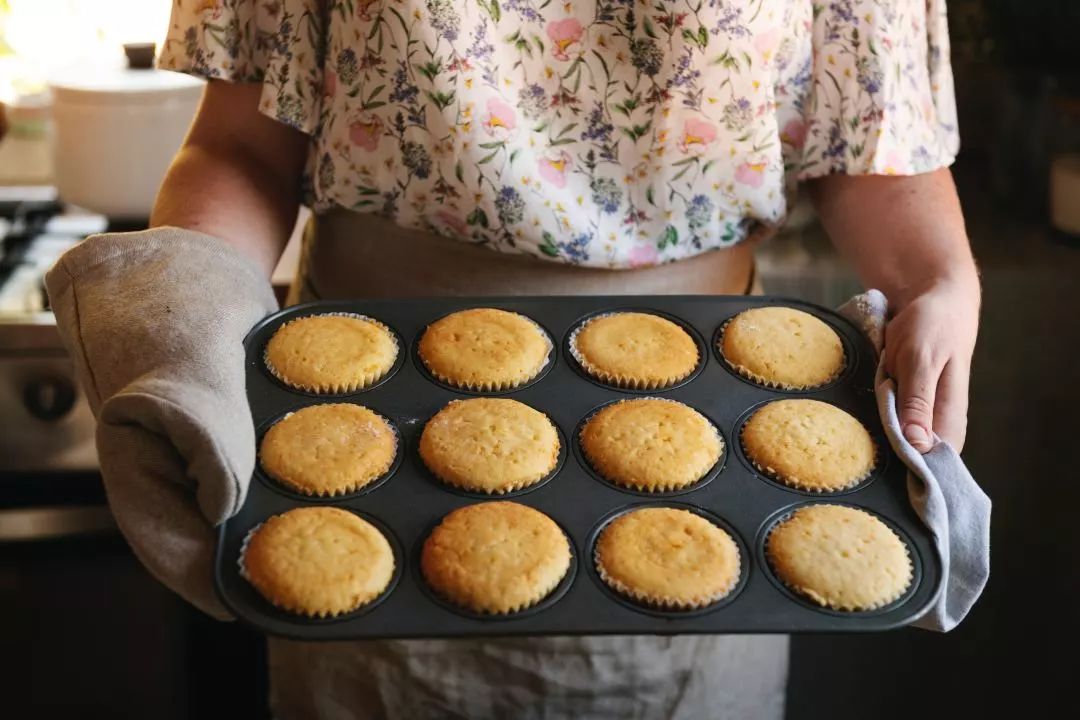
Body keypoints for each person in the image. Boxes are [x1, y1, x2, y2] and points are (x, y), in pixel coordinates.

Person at [45, 1, 980, 718]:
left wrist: (940, 277)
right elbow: (242, 144)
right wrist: (183, 318)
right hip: (361, 442)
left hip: (707, 449)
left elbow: (876, 144)